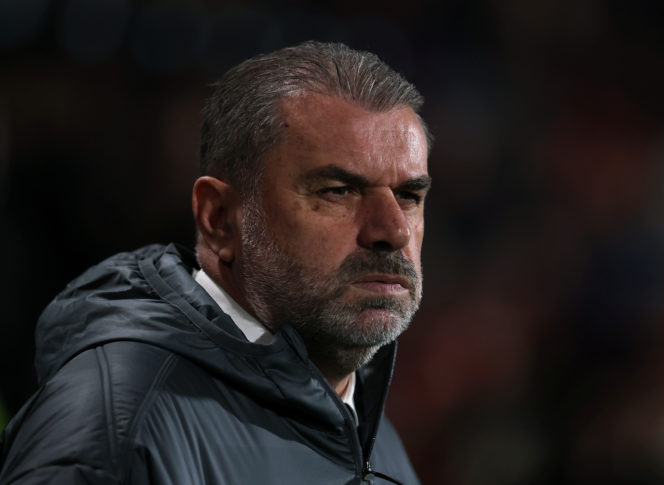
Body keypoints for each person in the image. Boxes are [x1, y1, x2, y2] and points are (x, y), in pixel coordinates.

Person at [0, 41, 430, 485]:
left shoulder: (376, 440)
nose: (393, 230)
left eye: (409, 196)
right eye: (337, 190)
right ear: (220, 218)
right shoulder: (118, 428)